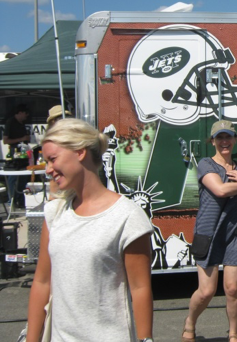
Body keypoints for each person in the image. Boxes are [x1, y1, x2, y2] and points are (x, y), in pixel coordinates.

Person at [26, 119, 154, 342]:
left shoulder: (127, 217)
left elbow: (140, 288)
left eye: (52, 159)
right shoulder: (54, 213)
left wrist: (146, 340)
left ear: (79, 152)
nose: (48, 169)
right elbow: (42, 282)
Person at [183, 120, 237, 342]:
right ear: (213, 141)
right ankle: (190, 322)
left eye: (228, 137)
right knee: (207, 291)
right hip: (209, 233)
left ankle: (234, 334)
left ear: (236, 139)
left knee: (232, 288)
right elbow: (219, 190)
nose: (224, 142)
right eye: (220, 138)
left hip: (236, 233)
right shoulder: (206, 164)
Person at [3, 104, 30, 208]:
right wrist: (22, 139)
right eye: (25, 113)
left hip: (23, 154)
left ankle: (20, 199)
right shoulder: (10, 122)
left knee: (23, 177)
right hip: (14, 153)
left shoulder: (22, 123)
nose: (26, 116)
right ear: (19, 112)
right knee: (13, 177)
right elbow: (5, 140)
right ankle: (11, 200)